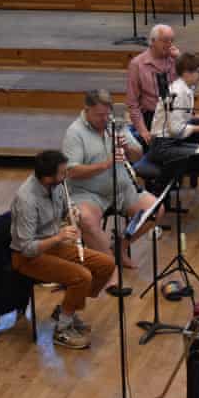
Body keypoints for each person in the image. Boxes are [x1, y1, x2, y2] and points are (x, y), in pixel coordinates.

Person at [10, 150, 115, 350]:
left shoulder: (57, 185)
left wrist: (72, 211)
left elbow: (66, 206)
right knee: (82, 277)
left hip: (53, 245)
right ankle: (62, 330)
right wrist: (59, 236)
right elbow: (26, 248)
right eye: (62, 173)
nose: (65, 176)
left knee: (106, 265)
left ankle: (67, 309)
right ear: (48, 177)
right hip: (28, 257)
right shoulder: (27, 200)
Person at [63, 89, 163, 270]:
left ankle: (120, 247)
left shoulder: (115, 123)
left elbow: (138, 154)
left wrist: (127, 147)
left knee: (155, 209)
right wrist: (105, 164)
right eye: (99, 115)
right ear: (86, 110)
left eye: (107, 114)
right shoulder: (75, 132)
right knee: (85, 220)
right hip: (88, 193)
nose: (104, 119)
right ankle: (109, 268)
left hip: (122, 190)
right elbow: (71, 171)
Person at [147, 51, 199, 182]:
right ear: (186, 73)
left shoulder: (185, 88)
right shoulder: (178, 92)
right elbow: (176, 130)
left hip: (170, 142)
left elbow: (181, 120)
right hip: (162, 147)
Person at [126, 24, 181, 147]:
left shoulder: (176, 60)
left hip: (176, 114)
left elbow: (193, 84)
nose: (169, 44)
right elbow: (132, 103)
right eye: (165, 40)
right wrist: (143, 131)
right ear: (152, 41)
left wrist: (181, 59)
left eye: (172, 40)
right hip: (152, 118)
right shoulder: (137, 64)